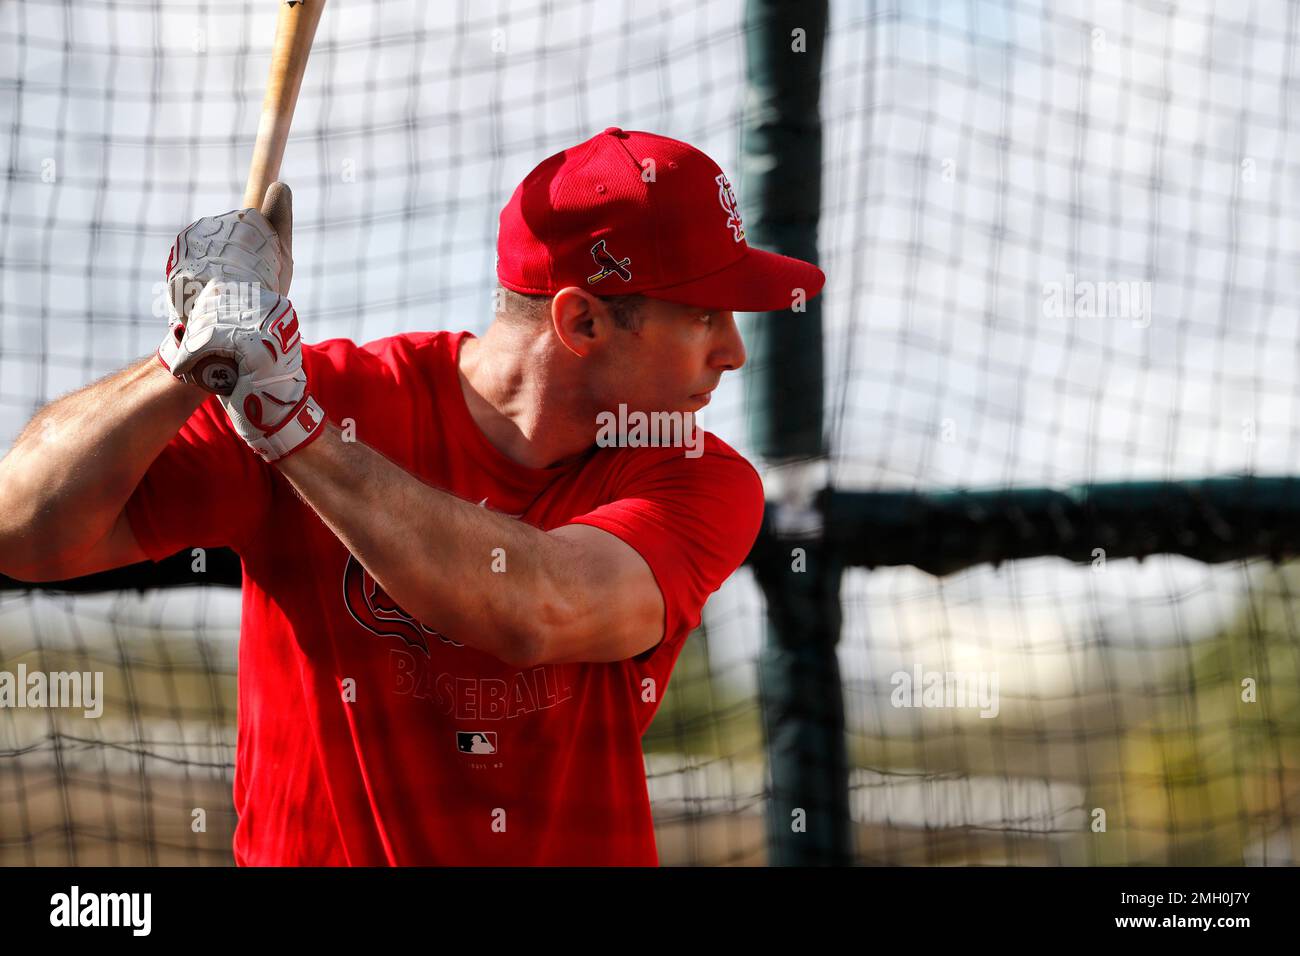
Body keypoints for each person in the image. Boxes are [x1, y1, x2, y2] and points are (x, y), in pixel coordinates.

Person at [0, 127, 825, 865]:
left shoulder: (695, 474)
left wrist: (293, 430)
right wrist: (185, 355)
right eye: (707, 317)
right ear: (582, 325)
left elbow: (537, 608)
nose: (734, 354)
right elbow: (23, 531)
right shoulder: (316, 393)